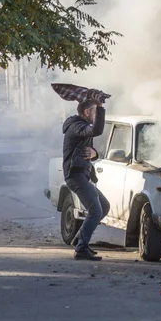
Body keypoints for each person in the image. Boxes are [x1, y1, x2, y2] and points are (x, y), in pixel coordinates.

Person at [62, 98, 110, 261]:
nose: (96, 116)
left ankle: (79, 241)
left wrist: (94, 153)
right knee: (95, 210)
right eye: (95, 111)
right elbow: (95, 131)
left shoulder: (80, 127)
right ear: (88, 112)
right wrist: (102, 107)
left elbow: (86, 147)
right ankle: (81, 248)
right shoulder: (77, 126)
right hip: (75, 175)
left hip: (82, 174)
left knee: (103, 206)